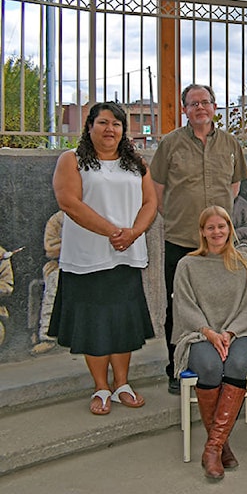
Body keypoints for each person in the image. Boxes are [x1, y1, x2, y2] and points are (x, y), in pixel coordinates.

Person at [49, 102, 157, 415]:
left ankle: (122, 383)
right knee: (94, 325)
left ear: (124, 130)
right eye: (103, 123)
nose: (110, 129)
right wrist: (113, 232)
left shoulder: (135, 162)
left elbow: (150, 201)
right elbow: (68, 202)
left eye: (117, 124)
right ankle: (101, 386)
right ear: (90, 126)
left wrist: (134, 232)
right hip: (87, 258)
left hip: (126, 255)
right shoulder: (71, 160)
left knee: (122, 324)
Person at [152, 84, 247, 394]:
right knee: (178, 306)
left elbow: (234, 186)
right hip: (181, 239)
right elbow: (156, 188)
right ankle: (177, 366)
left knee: (221, 303)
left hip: (220, 242)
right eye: (193, 104)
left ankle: (221, 363)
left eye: (205, 102)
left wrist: (217, 222)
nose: (200, 108)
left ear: (215, 106)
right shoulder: (170, 144)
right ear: (185, 110)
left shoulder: (231, 144)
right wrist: (175, 216)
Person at [172, 206, 247, 480]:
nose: (216, 232)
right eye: (210, 227)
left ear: (230, 229)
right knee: (210, 368)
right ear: (202, 232)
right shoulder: (187, 265)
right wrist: (210, 333)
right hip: (199, 335)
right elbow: (185, 307)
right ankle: (221, 446)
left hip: (242, 333)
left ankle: (212, 448)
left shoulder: (245, 262)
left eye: (221, 226)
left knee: (235, 365)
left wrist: (230, 333)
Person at [31, 210, 64, 355]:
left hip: (91, 265)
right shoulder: (57, 219)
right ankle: (47, 337)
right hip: (61, 264)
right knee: (53, 283)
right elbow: (50, 249)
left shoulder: (96, 215)